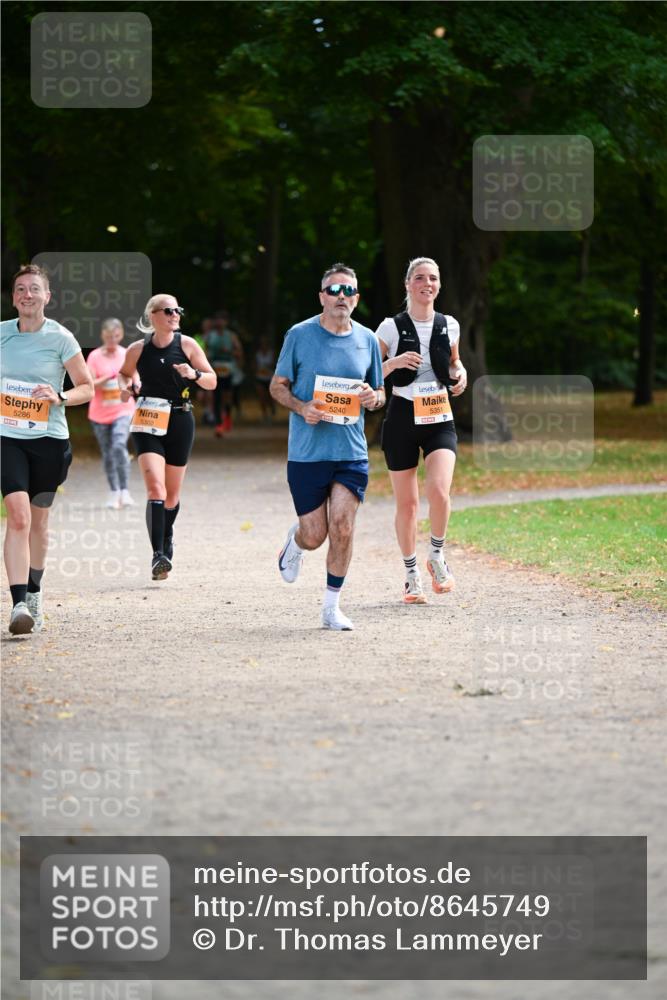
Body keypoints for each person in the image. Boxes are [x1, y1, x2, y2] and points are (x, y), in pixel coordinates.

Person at [270, 263, 384, 631]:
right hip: (308, 453)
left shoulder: (367, 340)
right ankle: (295, 544)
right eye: (334, 290)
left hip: (351, 452)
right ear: (322, 297)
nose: (341, 296)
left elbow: (379, 392)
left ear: (357, 299)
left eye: (348, 290)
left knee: (343, 526)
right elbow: (277, 386)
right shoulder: (299, 335)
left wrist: (374, 398)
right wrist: (302, 407)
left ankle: (331, 608)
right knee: (315, 535)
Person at [1, 264, 94, 635]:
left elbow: (86, 386)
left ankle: (35, 592)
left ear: (47, 296)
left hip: (49, 442)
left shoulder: (61, 338)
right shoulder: (2, 334)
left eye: (34, 289)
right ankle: (18, 605)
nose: (27, 294)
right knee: (18, 517)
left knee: (39, 523)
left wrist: (59, 396)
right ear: (13, 298)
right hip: (7, 438)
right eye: (21, 289)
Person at [376, 257, 467, 604]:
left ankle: (437, 556)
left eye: (432, 278)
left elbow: (454, 362)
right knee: (408, 504)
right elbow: (368, 371)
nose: (426, 283)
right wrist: (395, 362)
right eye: (419, 278)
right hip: (402, 416)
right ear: (407, 284)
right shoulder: (390, 327)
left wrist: (461, 374)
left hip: (439, 415)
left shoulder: (449, 325)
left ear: (439, 285)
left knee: (439, 491)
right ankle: (411, 575)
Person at [118, 294, 216, 581]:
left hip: (180, 418)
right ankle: (158, 555)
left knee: (171, 495)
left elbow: (212, 381)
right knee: (155, 489)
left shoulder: (188, 345)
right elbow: (123, 374)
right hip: (147, 418)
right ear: (153, 316)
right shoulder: (137, 349)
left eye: (178, 310)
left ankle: (166, 535)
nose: (175, 315)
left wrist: (194, 374)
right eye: (169, 310)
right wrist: (127, 385)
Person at [86, 317, 136, 509]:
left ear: (121, 335)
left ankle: (125, 490)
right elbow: (89, 384)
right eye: (108, 337)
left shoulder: (126, 354)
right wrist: (107, 378)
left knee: (118, 445)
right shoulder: (94, 356)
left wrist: (129, 384)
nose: (112, 340)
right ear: (102, 336)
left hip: (123, 409)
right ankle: (114, 491)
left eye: (115, 336)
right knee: (108, 452)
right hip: (99, 413)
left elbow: (134, 379)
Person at [208, 311, 243, 436]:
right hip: (214, 367)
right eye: (217, 320)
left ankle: (227, 417)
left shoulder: (231, 336)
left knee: (227, 396)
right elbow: (204, 350)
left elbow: (239, 352)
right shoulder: (210, 336)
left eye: (222, 320)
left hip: (228, 368)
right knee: (216, 396)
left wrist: (229, 351)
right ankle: (218, 424)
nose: (220, 322)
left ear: (226, 322)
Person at [254, 336, 276, 422]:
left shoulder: (271, 354)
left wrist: (268, 366)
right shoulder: (257, 354)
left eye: (265, 344)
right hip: (260, 378)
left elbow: (275, 365)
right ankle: (264, 414)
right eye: (262, 344)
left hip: (270, 378)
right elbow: (254, 365)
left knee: (270, 397)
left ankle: (272, 409)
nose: (263, 345)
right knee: (262, 397)